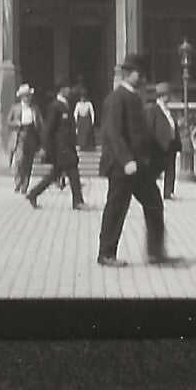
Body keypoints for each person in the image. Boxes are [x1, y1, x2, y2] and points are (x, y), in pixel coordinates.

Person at [97, 53, 169, 267]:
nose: (143, 78)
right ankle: (106, 253)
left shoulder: (134, 98)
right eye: (140, 74)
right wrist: (127, 159)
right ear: (128, 74)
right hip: (122, 166)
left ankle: (155, 252)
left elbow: (142, 133)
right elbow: (113, 132)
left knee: (154, 204)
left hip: (139, 166)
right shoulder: (116, 98)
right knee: (116, 208)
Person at [26, 81, 84, 210]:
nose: (69, 90)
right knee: (73, 172)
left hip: (68, 147)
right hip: (61, 148)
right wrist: (46, 148)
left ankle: (33, 193)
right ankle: (77, 201)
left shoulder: (66, 105)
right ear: (62, 90)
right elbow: (48, 130)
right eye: (67, 88)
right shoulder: (55, 107)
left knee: (54, 174)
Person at [147, 83, 182, 200]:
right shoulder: (153, 109)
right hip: (159, 145)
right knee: (155, 169)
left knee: (170, 169)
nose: (170, 97)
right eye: (168, 95)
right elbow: (150, 127)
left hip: (170, 144)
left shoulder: (168, 110)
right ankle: (150, 192)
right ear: (162, 96)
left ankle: (168, 193)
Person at [10, 84, 42, 193]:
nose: (28, 98)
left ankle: (25, 185)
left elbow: (40, 124)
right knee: (19, 160)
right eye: (25, 96)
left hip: (31, 136)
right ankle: (18, 182)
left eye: (29, 96)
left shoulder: (34, 108)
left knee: (29, 162)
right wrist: (17, 123)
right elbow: (7, 122)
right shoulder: (15, 108)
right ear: (21, 97)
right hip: (20, 136)